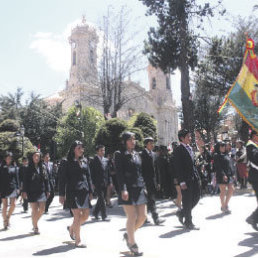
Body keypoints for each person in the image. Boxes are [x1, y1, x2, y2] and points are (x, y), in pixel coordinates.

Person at [115, 132, 147, 256]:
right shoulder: (119, 155)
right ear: (124, 142)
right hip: (127, 189)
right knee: (132, 216)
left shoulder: (137, 154)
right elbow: (119, 174)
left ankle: (128, 234)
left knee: (143, 217)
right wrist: (123, 189)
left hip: (139, 188)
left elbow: (140, 172)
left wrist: (144, 186)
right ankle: (132, 244)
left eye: (134, 139)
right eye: (130, 139)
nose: (133, 141)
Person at [59, 141, 93, 248]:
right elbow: (62, 179)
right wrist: (61, 194)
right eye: (79, 148)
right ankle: (78, 241)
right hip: (72, 192)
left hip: (84, 191)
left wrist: (91, 191)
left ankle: (71, 228)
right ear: (74, 149)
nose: (81, 150)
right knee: (77, 216)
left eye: (82, 148)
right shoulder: (66, 161)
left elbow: (88, 176)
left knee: (86, 215)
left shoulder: (85, 160)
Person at [174, 129, 201, 230]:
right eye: (188, 137)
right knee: (187, 200)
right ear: (182, 138)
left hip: (194, 177)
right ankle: (188, 222)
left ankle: (181, 213)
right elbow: (178, 167)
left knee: (197, 196)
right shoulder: (178, 150)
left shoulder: (190, 148)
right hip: (185, 180)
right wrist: (181, 181)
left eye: (190, 136)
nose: (190, 138)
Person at [22, 152, 50, 234]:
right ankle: (35, 227)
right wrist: (24, 191)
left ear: (40, 158)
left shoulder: (43, 167)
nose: (36, 157)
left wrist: (48, 190)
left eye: (38, 156)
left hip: (41, 191)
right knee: (34, 210)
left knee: (42, 209)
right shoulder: (28, 168)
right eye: (35, 156)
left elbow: (46, 179)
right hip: (31, 191)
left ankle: (34, 222)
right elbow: (25, 181)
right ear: (32, 157)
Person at [141, 137, 164, 225]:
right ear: (146, 144)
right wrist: (142, 183)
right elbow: (140, 170)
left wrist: (158, 182)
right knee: (151, 200)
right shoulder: (141, 155)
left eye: (153, 143)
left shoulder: (154, 155)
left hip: (153, 181)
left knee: (149, 200)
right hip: (145, 181)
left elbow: (156, 169)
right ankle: (156, 218)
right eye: (150, 143)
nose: (152, 145)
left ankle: (143, 217)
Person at [90, 145, 112, 221]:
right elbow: (91, 173)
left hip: (105, 182)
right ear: (97, 151)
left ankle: (95, 213)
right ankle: (104, 216)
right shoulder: (93, 160)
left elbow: (108, 172)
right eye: (101, 150)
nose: (103, 152)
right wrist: (92, 183)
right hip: (97, 183)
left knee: (101, 199)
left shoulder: (106, 160)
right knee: (102, 199)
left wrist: (109, 182)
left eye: (104, 150)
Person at [213, 141, 235, 213]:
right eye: (221, 146)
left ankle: (225, 205)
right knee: (223, 191)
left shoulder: (226, 154)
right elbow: (218, 167)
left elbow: (230, 165)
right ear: (218, 147)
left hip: (229, 175)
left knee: (231, 189)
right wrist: (223, 175)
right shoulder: (216, 155)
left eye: (224, 146)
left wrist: (233, 174)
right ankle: (223, 206)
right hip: (221, 175)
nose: (223, 147)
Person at [0, 152, 19, 230]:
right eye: (7, 158)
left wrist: (18, 188)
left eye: (10, 158)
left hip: (13, 187)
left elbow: (16, 178)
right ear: (5, 159)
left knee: (13, 204)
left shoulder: (14, 166)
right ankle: (5, 222)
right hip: (3, 188)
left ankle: (7, 218)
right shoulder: (1, 167)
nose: (9, 159)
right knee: (5, 205)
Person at [246, 130, 258, 230]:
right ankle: (253, 218)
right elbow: (255, 159)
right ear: (254, 136)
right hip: (256, 178)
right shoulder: (250, 146)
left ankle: (253, 218)